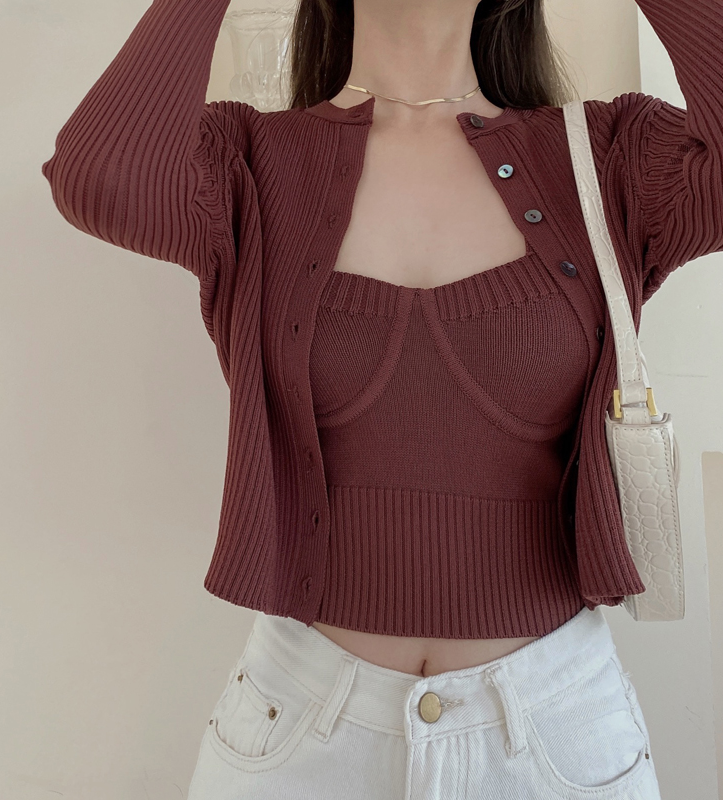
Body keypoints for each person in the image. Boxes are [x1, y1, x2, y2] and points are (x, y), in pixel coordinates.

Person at [41, 0, 723, 796]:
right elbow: (100, 175)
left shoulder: (611, 158)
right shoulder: (248, 162)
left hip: (553, 739)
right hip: (299, 736)